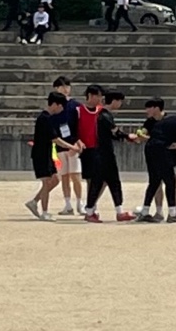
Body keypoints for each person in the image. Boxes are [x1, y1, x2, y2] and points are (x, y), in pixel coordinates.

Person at [134, 99, 176, 222]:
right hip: (162, 151)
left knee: (154, 182)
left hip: (150, 149)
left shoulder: (168, 120)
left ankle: (145, 211)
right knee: (170, 182)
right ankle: (173, 214)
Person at [84, 89, 135, 222]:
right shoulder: (105, 116)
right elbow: (115, 132)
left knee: (111, 182)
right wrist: (128, 137)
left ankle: (118, 211)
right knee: (99, 183)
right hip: (103, 154)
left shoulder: (103, 115)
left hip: (103, 152)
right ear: (114, 101)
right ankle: (90, 212)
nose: (120, 104)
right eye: (119, 101)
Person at [25, 91, 78, 220]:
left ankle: (34, 201)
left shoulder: (47, 118)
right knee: (46, 182)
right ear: (54, 104)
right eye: (60, 106)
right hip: (41, 154)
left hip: (46, 153)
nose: (61, 109)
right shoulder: (44, 119)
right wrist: (72, 146)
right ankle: (44, 212)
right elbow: (55, 139)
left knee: (54, 180)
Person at [51, 77, 84, 215]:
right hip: (60, 145)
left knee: (76, 175)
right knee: (64, 176)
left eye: (67, 86)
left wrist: (78, 142)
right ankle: (67, 204)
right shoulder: (54, 106)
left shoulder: (75, 106)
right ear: (56, 88)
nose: (65, 89)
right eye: (61, 86)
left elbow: (81, 125)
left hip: (74, 144)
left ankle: (80, 202)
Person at [75, 84, 107, 221]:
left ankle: (91, 205)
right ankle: (91, 209)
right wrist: (77, 141)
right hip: (87, 149)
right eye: (99, 96)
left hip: (100, 148)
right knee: (91, 181)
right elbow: (72, 128)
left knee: (104, 180)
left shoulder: (102, 111)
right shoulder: (78, 110)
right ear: (91, 96)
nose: (101, 98)